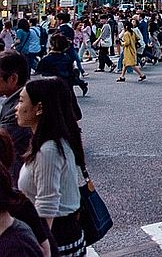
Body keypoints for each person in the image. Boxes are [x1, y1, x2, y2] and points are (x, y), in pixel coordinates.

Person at [16, 78, 87, 257]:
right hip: (58, 234)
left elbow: (47, 204)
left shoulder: (49, 150)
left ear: (39, 108)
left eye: (21, 101)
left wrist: (42, 247)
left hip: (56, 238)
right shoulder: (50, 142)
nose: (15, 108)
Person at [0, 51, 30, 181]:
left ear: (13, 79)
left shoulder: (19, 108)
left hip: (18, 179)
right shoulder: (14, 99)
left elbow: (2, 141)